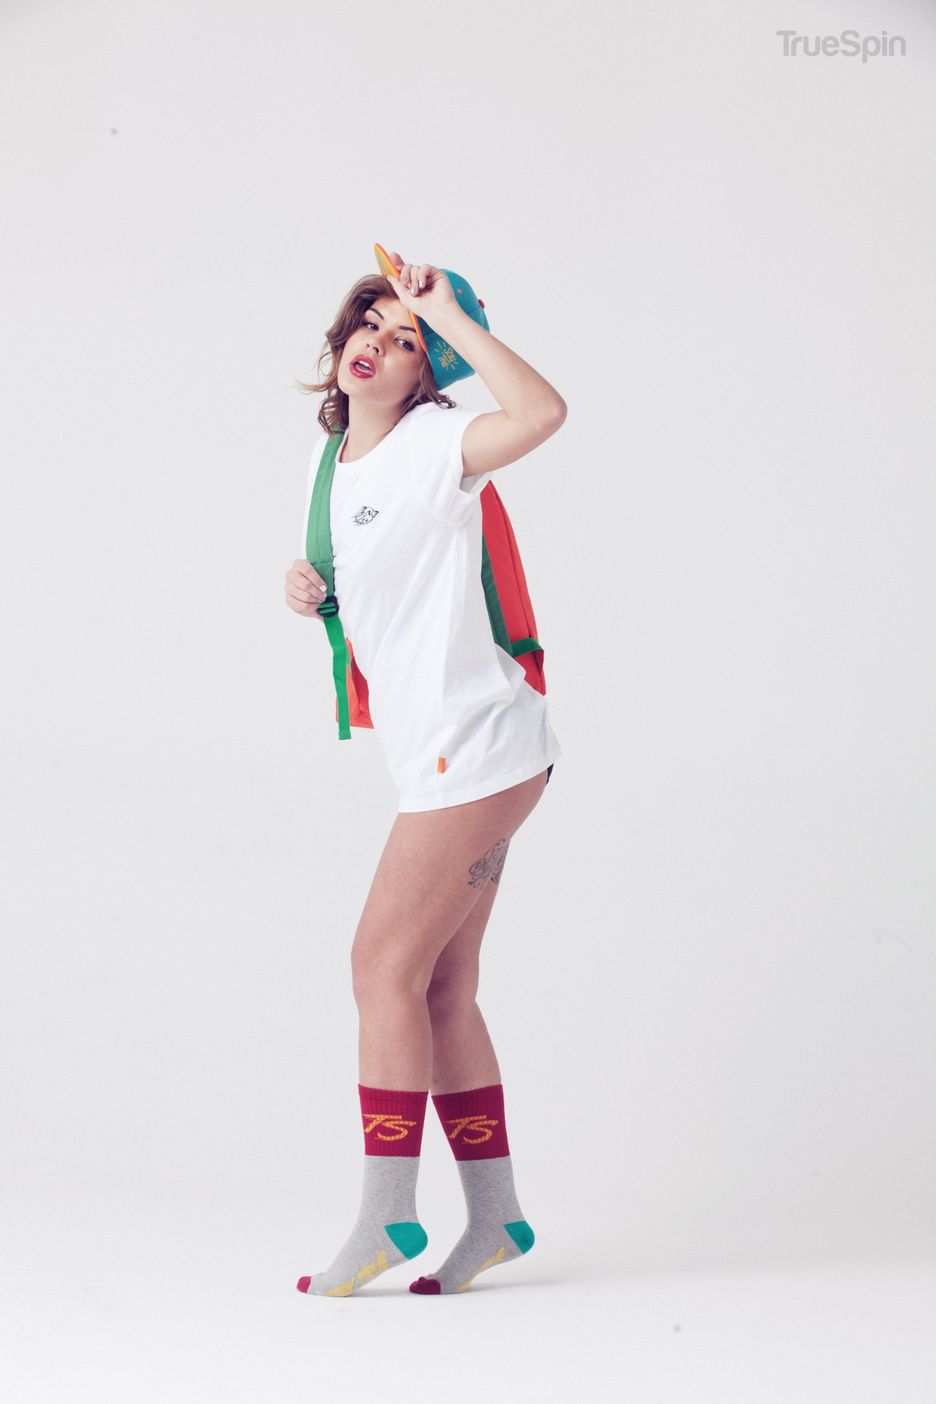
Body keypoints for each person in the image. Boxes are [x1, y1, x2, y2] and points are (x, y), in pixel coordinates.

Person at [284, 249, 565, 1297]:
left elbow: (541, 414)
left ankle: (386, 1216)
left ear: (426, 374)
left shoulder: (439, 445)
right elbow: (384, 588)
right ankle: (496, 1217)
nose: (378, 342)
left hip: (477, 746)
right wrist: (313, 590)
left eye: (406, 341)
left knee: (379, 968)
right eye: (371, 322)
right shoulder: (335, 465)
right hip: (452, 750)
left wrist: (450, 316)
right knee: (441, 987)